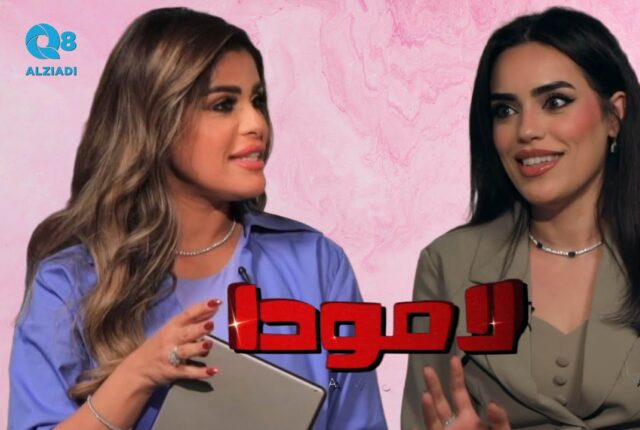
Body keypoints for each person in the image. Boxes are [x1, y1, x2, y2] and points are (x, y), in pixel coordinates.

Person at [9, 7, 386, 430]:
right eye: (223, 104)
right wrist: (137, 376)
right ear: (155, 120)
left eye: (258, 100)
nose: (256, 124)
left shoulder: (318, 264)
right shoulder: (68, 284)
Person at [401, 7, 640, 430]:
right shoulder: (446, 263)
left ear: (614, 116)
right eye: (505, 110)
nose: (526, 130)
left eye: (555, 102)